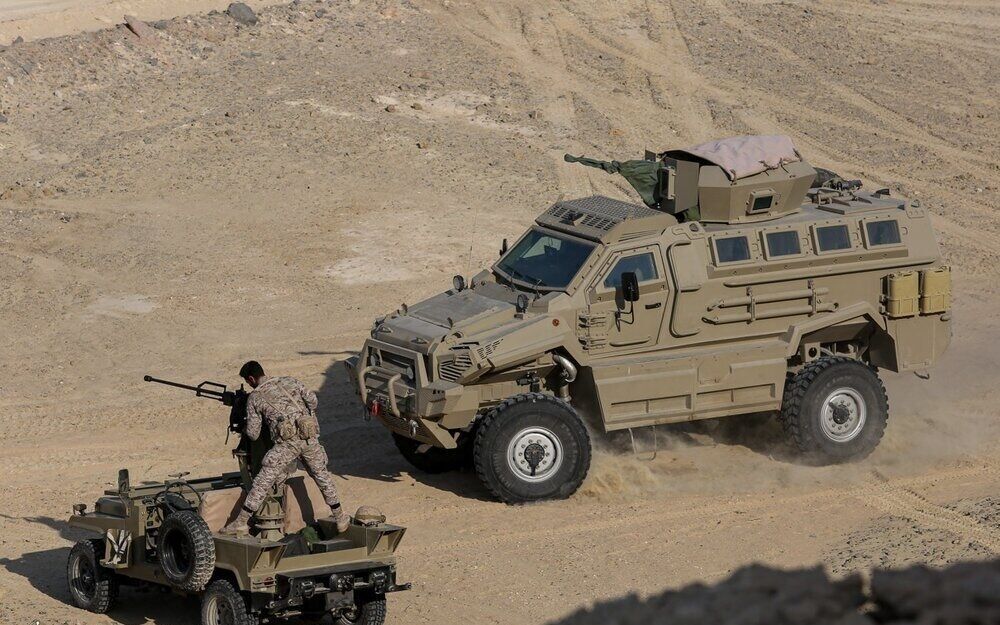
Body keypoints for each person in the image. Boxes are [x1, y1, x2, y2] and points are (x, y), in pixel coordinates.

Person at [221, 360, 349, 535]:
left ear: (251, 379)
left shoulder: (255, 397)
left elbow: (253, 434)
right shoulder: (290, 381)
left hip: (287, 445)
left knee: (263, 480)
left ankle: (241, 522)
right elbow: (313, 401)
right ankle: (340, 517)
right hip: (309, 438)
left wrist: (247, 424)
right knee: (322, 476)